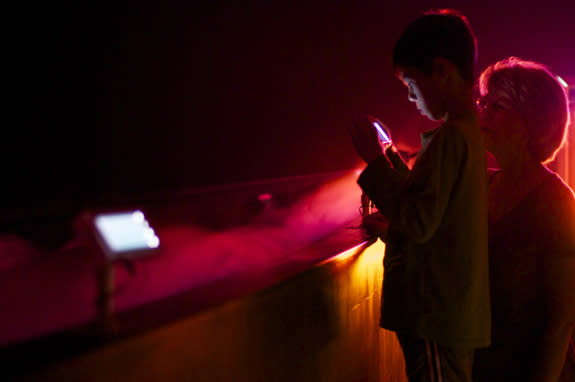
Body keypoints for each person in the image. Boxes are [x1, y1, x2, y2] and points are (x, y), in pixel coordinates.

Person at [348, 9, 491, 382]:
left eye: (411, 83)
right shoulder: (466, 136)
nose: (411, 97)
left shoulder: (451, 139)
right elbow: (431, 204)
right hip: (448, 316)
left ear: (441, 70)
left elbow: (417, 220)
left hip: (434, 318)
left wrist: (375, 163)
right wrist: (392, 158)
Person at [471, 57, 575, 382]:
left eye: (498, 106)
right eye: (483, 102)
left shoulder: (556, 202)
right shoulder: (480, 187)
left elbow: (561, 322)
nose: (482, 113)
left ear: (533, 122)